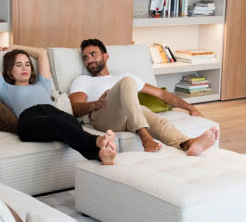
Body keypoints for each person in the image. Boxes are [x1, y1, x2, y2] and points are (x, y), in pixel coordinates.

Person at [67, 38, 218, 155]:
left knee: (154, 119)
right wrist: (95, 104)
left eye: (93, 54)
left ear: (106, 56)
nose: (89, 60)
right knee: (127, 82)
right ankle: (145, 137)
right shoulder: (83, 80)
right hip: (103, 116)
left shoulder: (123, 76)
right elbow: (75, 109)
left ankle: (188, 144)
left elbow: (161, 94)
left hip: (129, 116)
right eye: (85, 58)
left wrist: (190, 108)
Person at [0, 44, 116, 164]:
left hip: (54, 114)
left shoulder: (43, 84)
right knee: (57, 121)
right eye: (18, 65)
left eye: (27, 64)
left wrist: (15, 46)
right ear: (10, 71)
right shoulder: (4, 88)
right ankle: (97, 140)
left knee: (70, 121)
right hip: (29, 121)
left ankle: (101, 155)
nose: (24, 68)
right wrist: (2, 48)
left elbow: (41, 53)